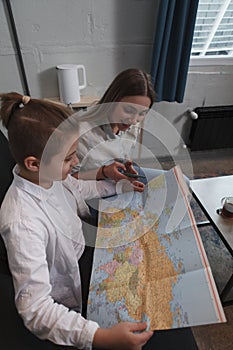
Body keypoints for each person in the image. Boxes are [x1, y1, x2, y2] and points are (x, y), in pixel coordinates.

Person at [0, 92, 153, 350]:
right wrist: (99, 338)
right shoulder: (22, 222)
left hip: (82, 252)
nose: (77, 162)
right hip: (69, 285)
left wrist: (117, 185)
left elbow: (79, 189)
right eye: (69, 157)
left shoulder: (48, 178)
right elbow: (35, 308)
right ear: (34, 163)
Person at [72, 68, 165, 184]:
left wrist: (127, 168)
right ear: (113, 100)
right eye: (128, 110)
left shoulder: (131, 126)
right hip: (90, 187)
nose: (134, 120)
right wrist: (103, 172)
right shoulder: (82, 132)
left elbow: (124, 158)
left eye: (142, 113)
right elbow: (67, 180)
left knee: (180, 182)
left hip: (117, 180)